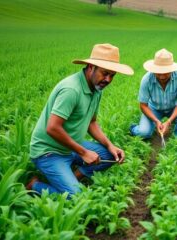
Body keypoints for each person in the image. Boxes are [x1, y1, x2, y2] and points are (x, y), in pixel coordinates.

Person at [26, 43, 134, 196]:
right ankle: (35, 185)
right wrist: (83, 152)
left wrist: (110, 146)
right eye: (105, 73)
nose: (108, 79)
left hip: (71, 146)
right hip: (49, 151)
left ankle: (72, 179)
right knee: (76, 198)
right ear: (91, 67)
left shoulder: (97, 87)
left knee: (110, 155)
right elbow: (52, 128)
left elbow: (91, 122)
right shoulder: (71, 90)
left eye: (112, 75)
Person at [129, 49, 177, 139]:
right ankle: (134, 128)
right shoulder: (146, 79)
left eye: (165, 73)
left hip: (174, 106)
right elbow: (143, 105)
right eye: (158, 73)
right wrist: (156, 121)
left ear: (172, 70)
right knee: (144, 133)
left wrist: (169, 122)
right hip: (154, 108)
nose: (162, 77)